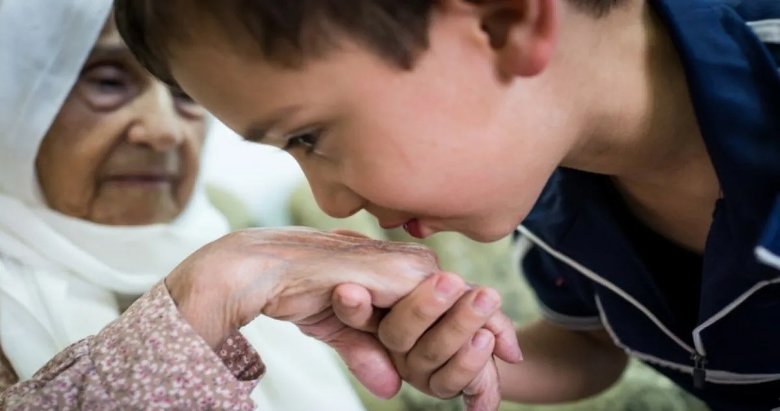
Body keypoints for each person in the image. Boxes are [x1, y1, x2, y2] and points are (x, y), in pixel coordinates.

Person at [114, 0, 780, 410]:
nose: (331, 202)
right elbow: (593, 344)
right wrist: (472, 355)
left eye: (308, 136)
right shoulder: (544, 172)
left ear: (503, 20)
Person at [0, 1, 521, 410]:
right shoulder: (247, 265)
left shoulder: (280, 279)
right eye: (107, 83)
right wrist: (210, 292)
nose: (163, 131)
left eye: (185, 98)